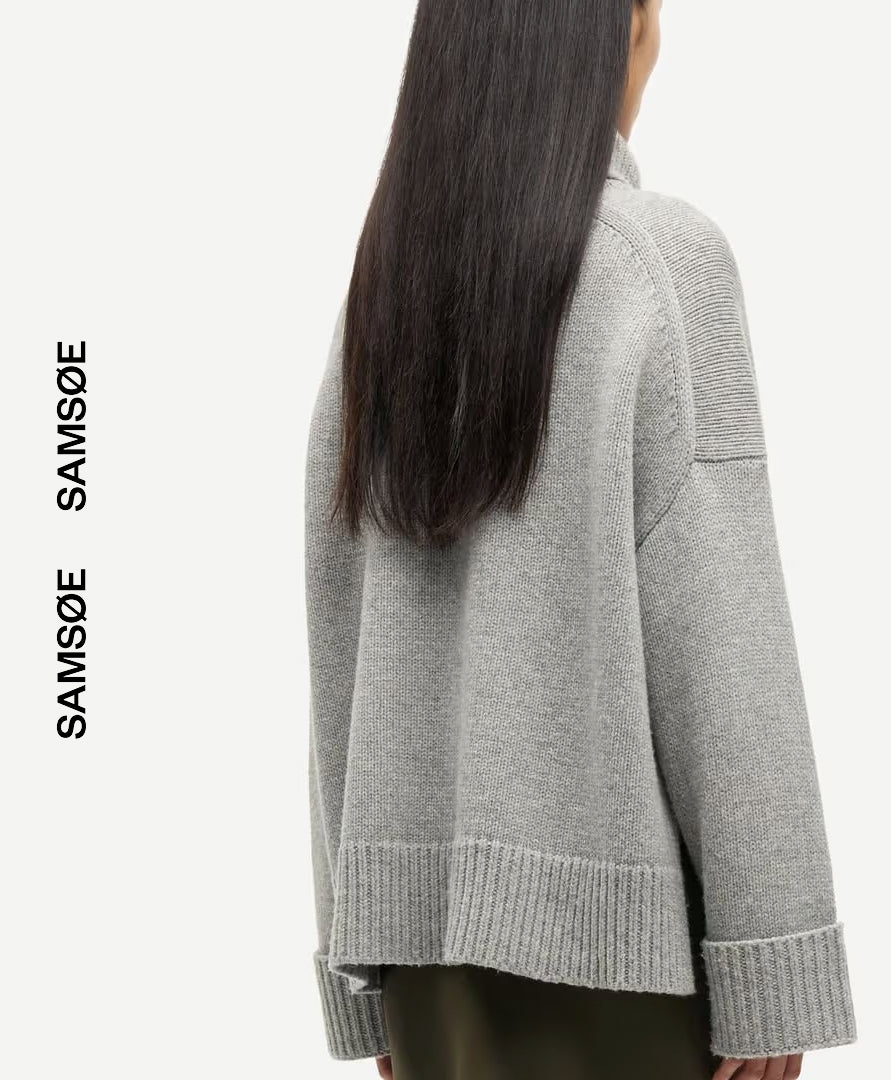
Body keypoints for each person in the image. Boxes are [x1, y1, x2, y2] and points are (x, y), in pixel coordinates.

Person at [304, 1, 856, 1076]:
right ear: (623, 26)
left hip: (425, 990)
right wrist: (772, 956)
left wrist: (360, 961)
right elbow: (723, 632)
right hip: (623, 982)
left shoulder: (387, 281)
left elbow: (337, 630)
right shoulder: (661, 262)